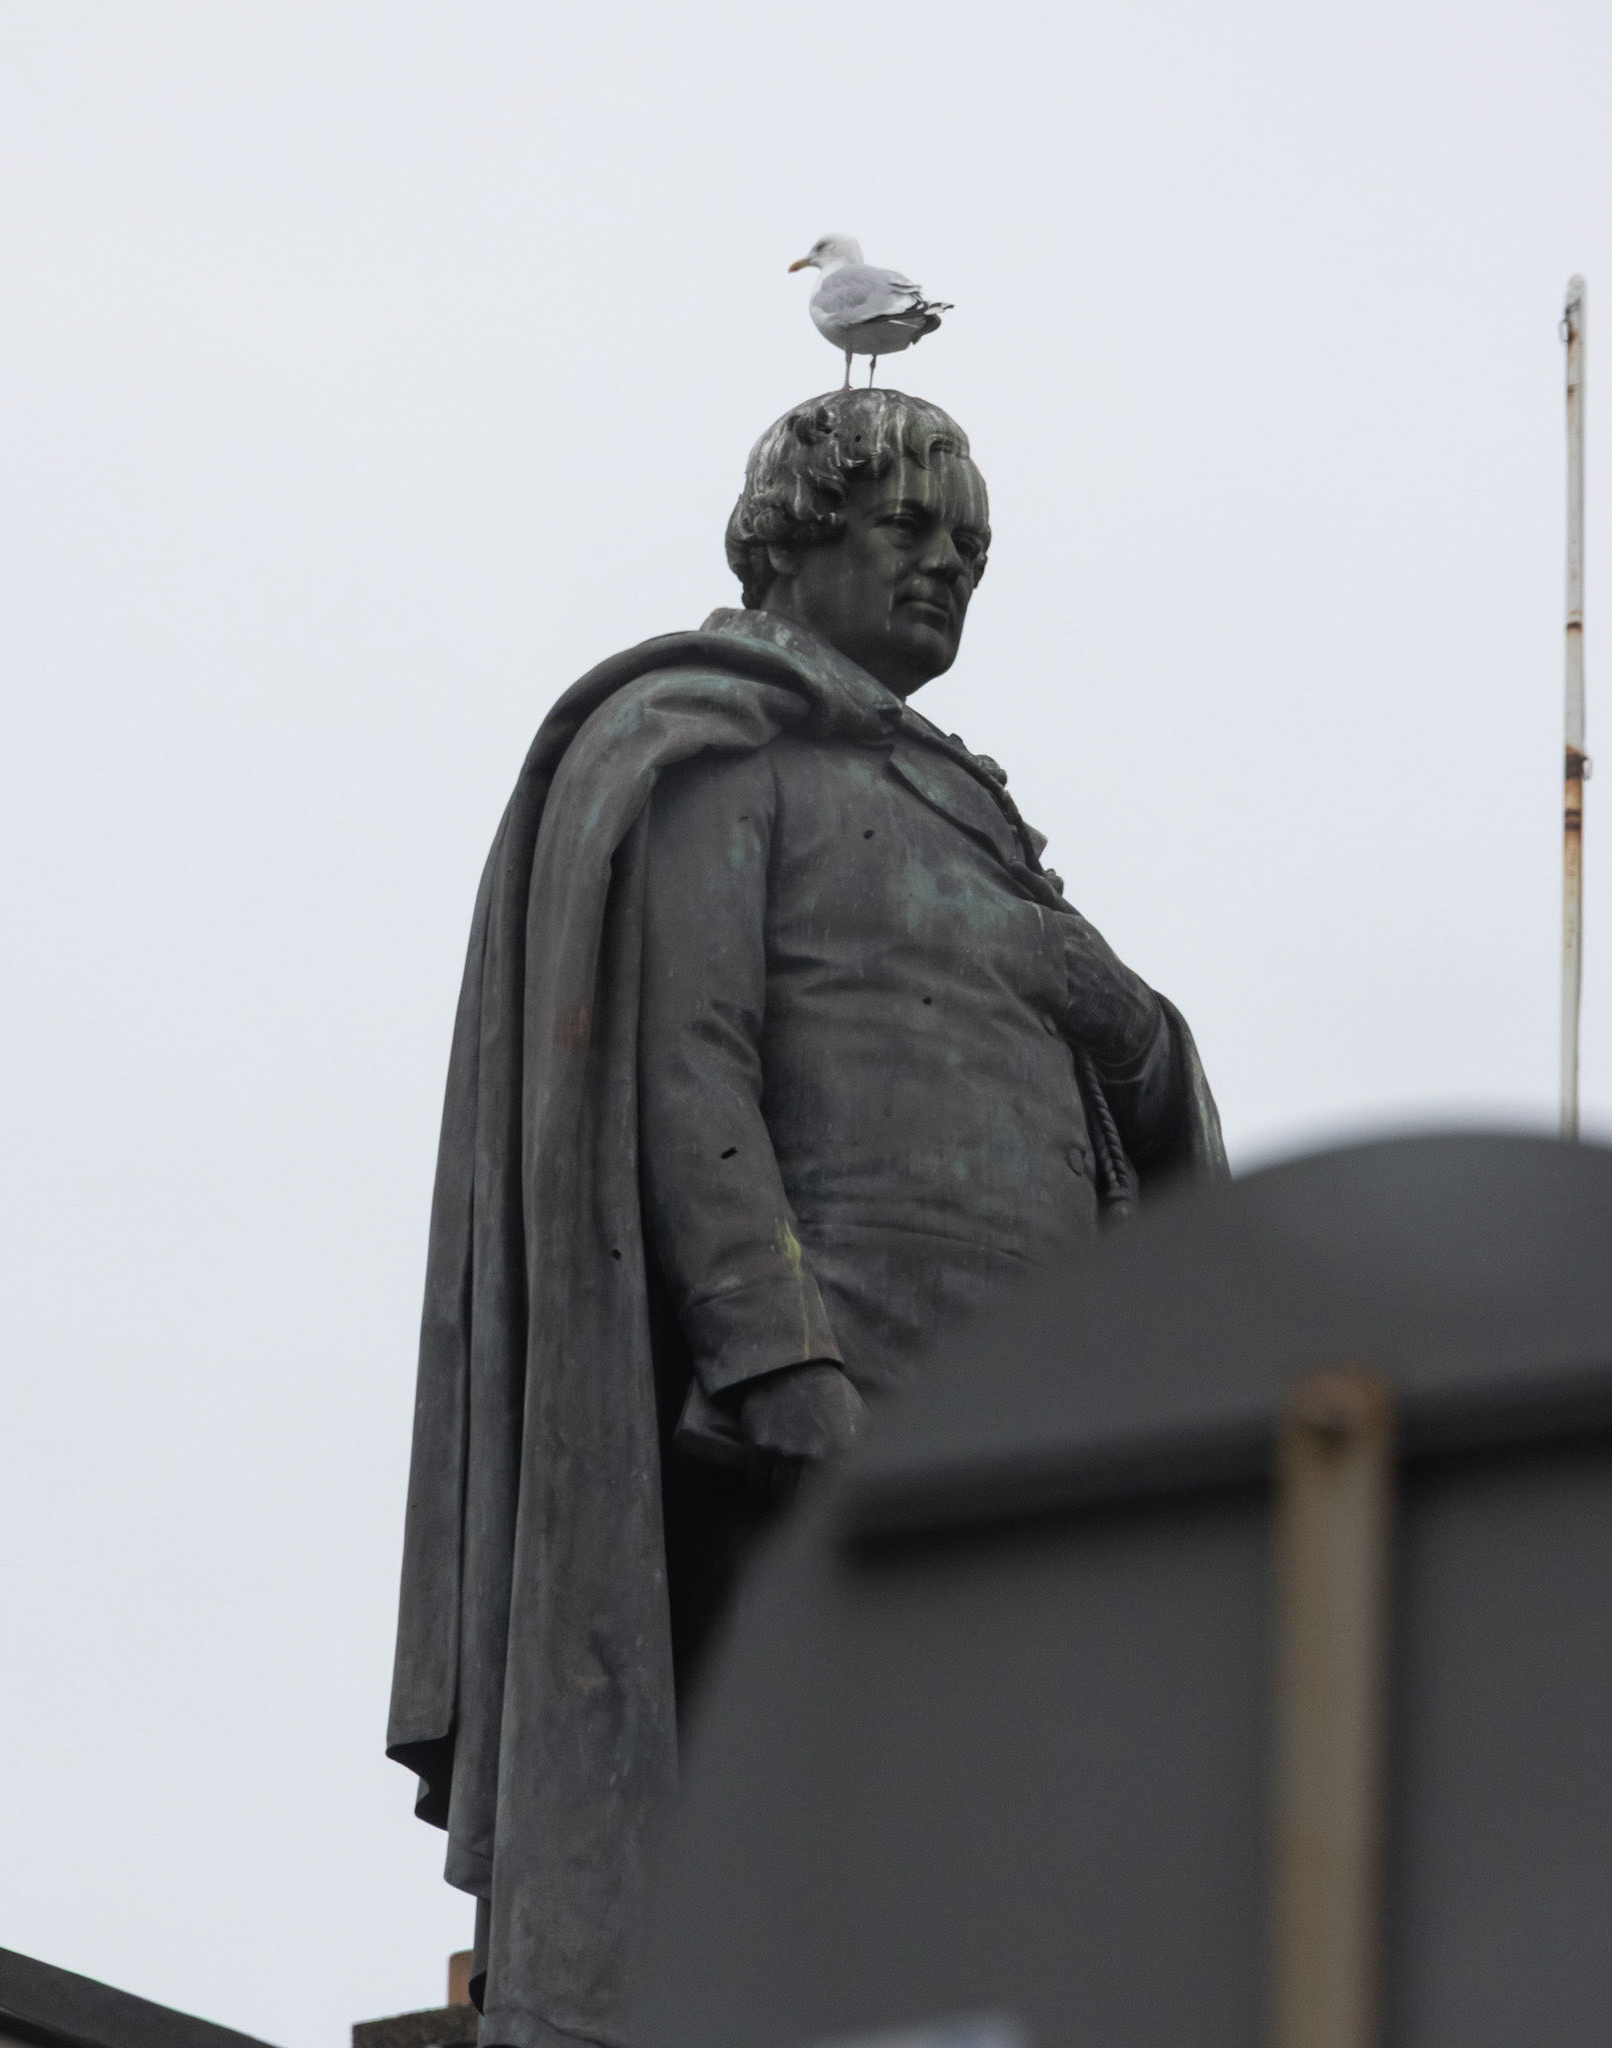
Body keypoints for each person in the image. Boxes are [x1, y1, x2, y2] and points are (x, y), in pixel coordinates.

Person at [387, 390, 1225, 2048]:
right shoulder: (722, 748)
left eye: (969, 546)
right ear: (788, 539)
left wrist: (1131, 1029)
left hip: (1015, 1426)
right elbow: (681, 1064)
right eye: (904, 526)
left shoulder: (974, 823)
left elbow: (1156, 1122)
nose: (944, 565)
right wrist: (777, 1358)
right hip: (824, 1406)